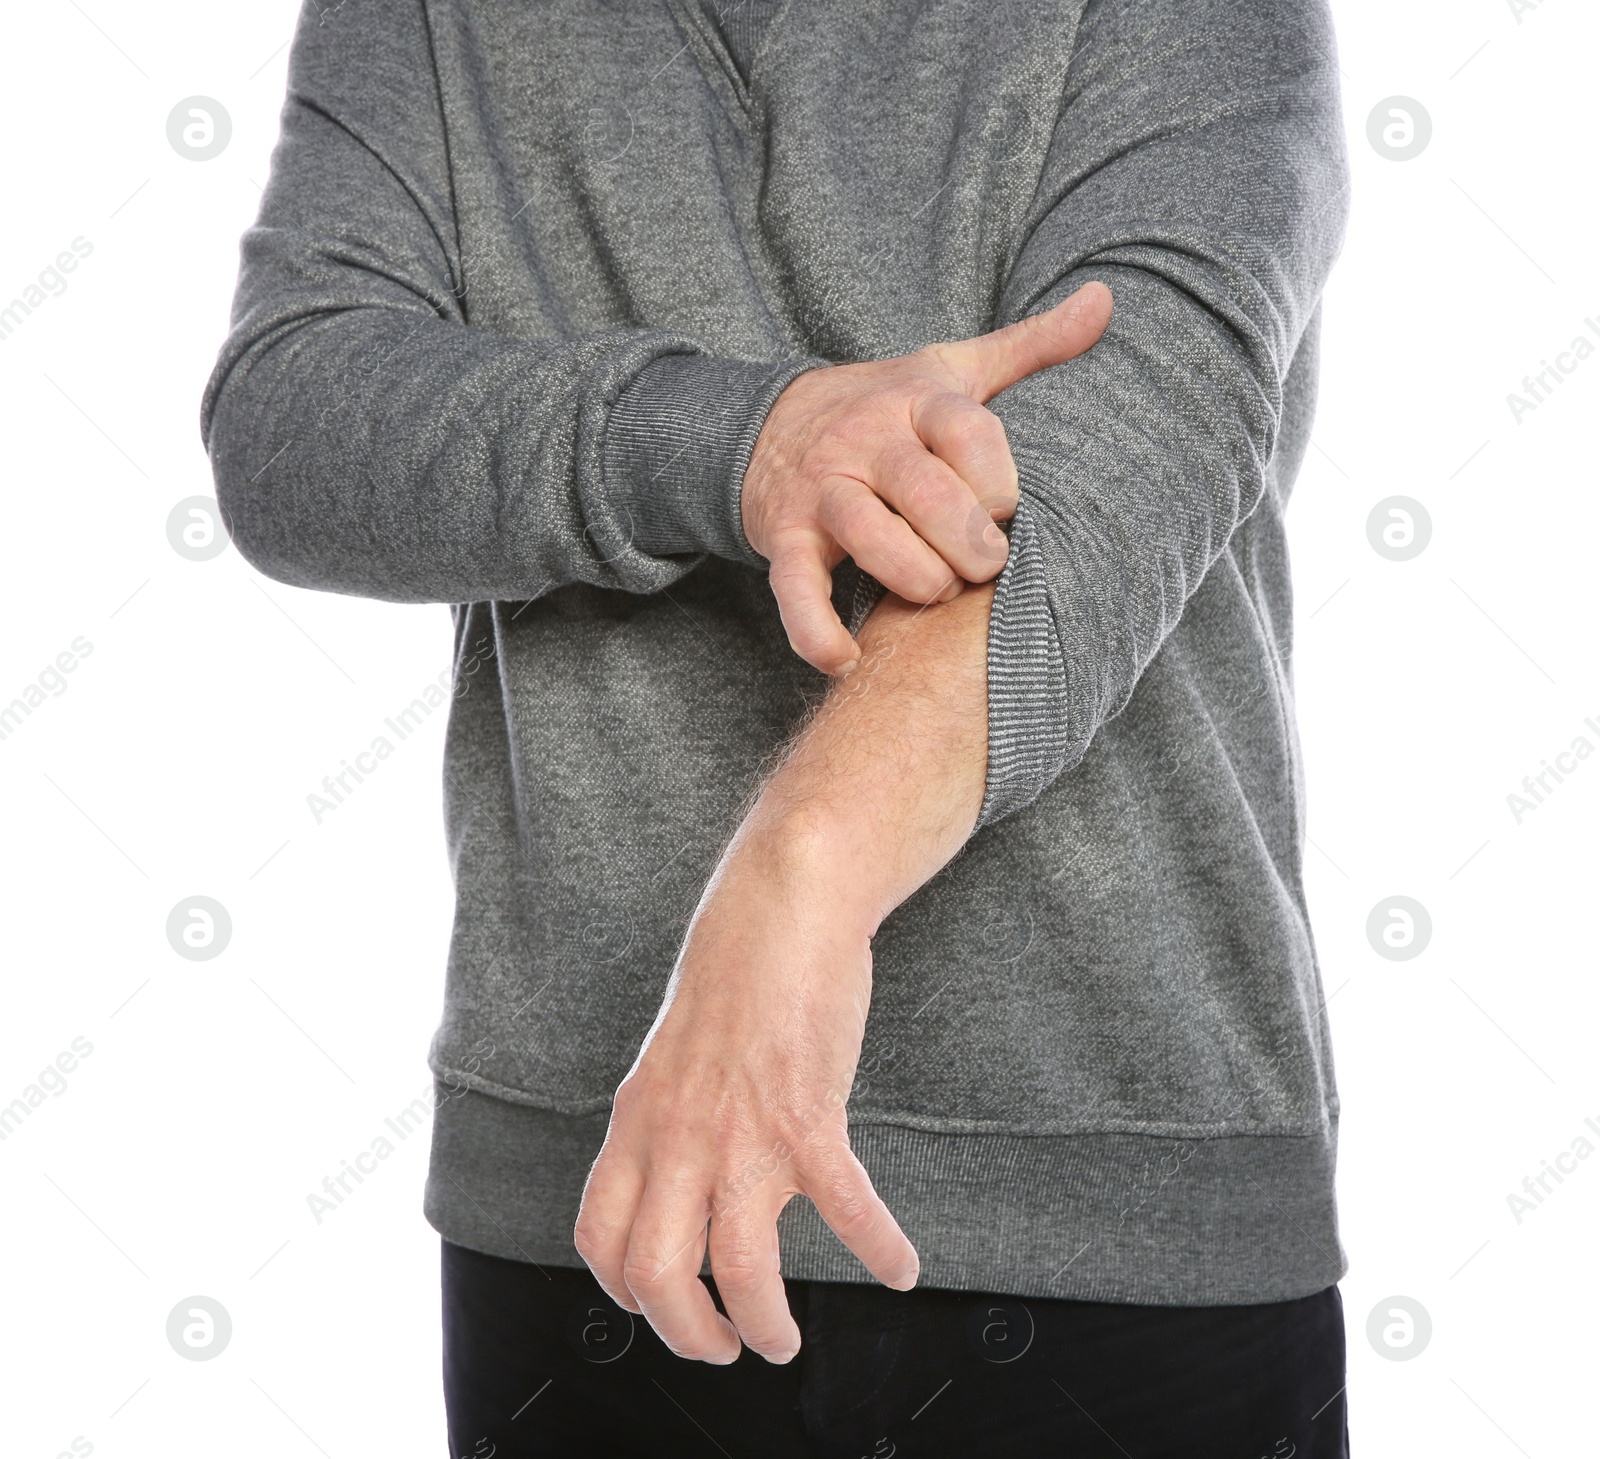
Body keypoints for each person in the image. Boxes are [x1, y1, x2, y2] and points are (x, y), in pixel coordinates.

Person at [202, 0, 1353, 1452]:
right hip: (596, 1210)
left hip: (1115, 1206)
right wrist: (739, 443)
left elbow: (1109, 463)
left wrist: (795, 888)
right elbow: (291, 414)